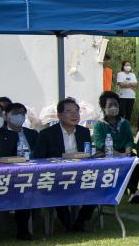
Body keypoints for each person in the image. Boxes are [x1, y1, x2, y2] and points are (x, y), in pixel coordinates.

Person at [33, 98, 95, 233]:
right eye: (69, 111)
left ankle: (80, 222)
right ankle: (68, 225)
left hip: (80, 175)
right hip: (56, 176)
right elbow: (38, 159)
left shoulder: (84, 132)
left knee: (97, 187)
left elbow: (88, 155)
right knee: (58, 190)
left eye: (76, 111)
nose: (74, 115)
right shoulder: (46, 134)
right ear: (59, 115)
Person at [0, 99, 32, 244]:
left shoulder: (10, 135)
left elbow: (15, 159)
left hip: (7, 180)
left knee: (24, 191)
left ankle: (23, 232)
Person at [93, 91, 139, 200]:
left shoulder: (124, 123)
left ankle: (134, 192)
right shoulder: (99, 125)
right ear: (103, 107)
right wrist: (119, 155)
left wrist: (127, 151)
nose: (114, 107)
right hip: (106, 153)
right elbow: (100, 143)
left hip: (124, 151)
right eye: (110, 105)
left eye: (116, 104)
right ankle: (130, 190)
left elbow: (129, 140)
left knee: (133, 161)